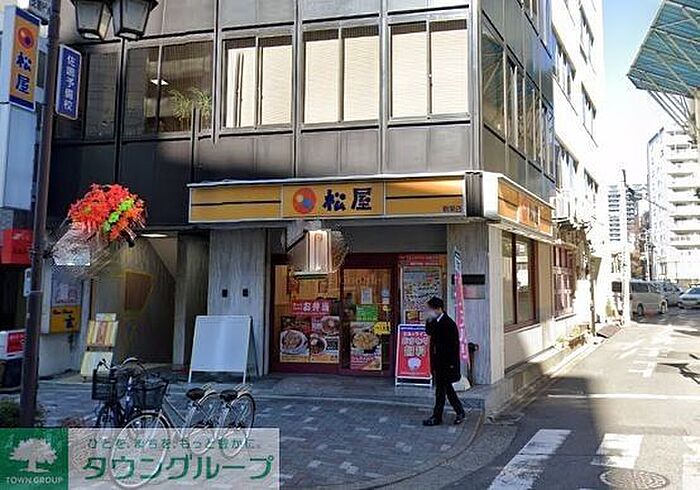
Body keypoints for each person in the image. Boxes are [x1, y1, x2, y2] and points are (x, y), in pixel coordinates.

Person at [422, 297, 466, 426]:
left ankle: (438, 416)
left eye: (430, 309)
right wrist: (428, 319)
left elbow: (454, 347)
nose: (428, 312)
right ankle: (458, 412)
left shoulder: (449, 323)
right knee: (445, 390)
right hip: (438, 362)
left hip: (447, 363)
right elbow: (428, 331)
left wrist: (452, 365)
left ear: (438, 309)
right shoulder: (434, 321)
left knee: (442, 391)